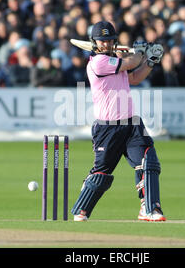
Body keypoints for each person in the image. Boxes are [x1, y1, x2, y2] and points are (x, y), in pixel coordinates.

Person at [70, 21, 166, 222]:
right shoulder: (98, 63)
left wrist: (150, 61)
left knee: (148, 161)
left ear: (113, 41)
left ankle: (150, 208)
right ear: (94, 42)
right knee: (101, 173)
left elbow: (134, 78)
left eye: (108, 40)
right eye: (101, 41)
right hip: (108, 127)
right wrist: (141, 52)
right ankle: (81, 208)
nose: (105, 44)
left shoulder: (114, 59)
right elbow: (130, 63)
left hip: (131, 124)